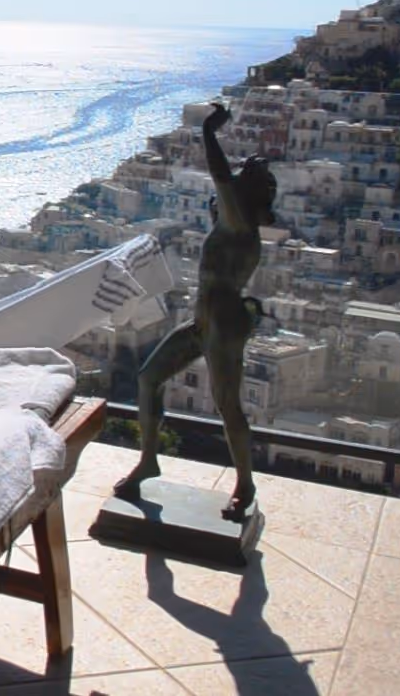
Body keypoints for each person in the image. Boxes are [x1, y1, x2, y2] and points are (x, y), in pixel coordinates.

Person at [114, 102, 276, 521]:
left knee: (227, 405)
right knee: (149, 378)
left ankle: (244, 482)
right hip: (203, 319)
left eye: (234, 188)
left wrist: (208, 132)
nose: (222, 195)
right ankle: (148, 459)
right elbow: (221, 187)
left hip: (223, 322)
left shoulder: (240, 226)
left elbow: (220, 177)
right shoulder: (229, 225)